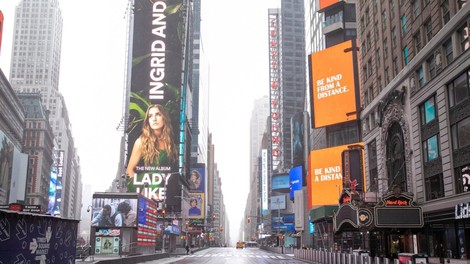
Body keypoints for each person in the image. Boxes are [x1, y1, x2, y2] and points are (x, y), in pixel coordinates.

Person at [126, 104, 178, 178]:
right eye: (150, 116)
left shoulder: (171, 141)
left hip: (169, 187)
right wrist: (141, 184)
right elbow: (129, 170)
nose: (154, 119)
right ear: (148, 121)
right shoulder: (141, 142)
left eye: (158, 115)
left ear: (164, 118)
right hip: (150, 186)